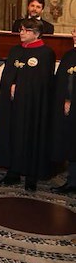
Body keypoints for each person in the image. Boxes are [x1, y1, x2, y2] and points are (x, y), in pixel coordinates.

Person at [0, 18, 55, 191]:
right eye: (21, 30)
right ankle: (13, 171)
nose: (21, 33)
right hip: (13, 106)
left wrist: (20, 88)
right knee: (13, 135)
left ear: (36, 33)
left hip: (32, 107)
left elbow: (43, 82)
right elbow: (7, 75)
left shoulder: (46, 53)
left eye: (25, 31)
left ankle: (31, 176)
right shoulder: (15, 51)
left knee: (30, 137)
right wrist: (10, 85)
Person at [51, 29, 76, 194]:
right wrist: (65, 100)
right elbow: (62, 79)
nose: (74, 34)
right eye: (75, 31)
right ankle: (72, 181)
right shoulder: (69, 55)